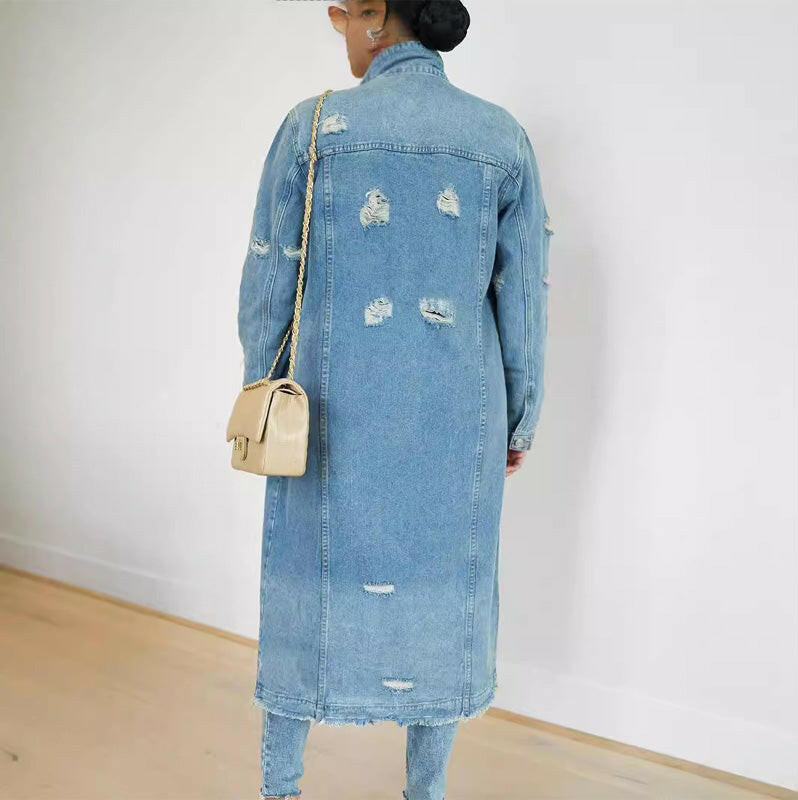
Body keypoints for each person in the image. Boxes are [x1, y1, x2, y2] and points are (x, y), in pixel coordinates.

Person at [236, 1, 552, 797]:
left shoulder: (313, 128)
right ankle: (426, 791)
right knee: (443, 595)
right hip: (458, 418)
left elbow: (271, 275)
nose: (337, 23)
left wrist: (260, 387)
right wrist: (519, 417)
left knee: (305, 595)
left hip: (326, 415)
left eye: (344, 11)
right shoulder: (501, 138)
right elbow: (523, 297)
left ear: (378, 16)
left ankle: (280, 788)